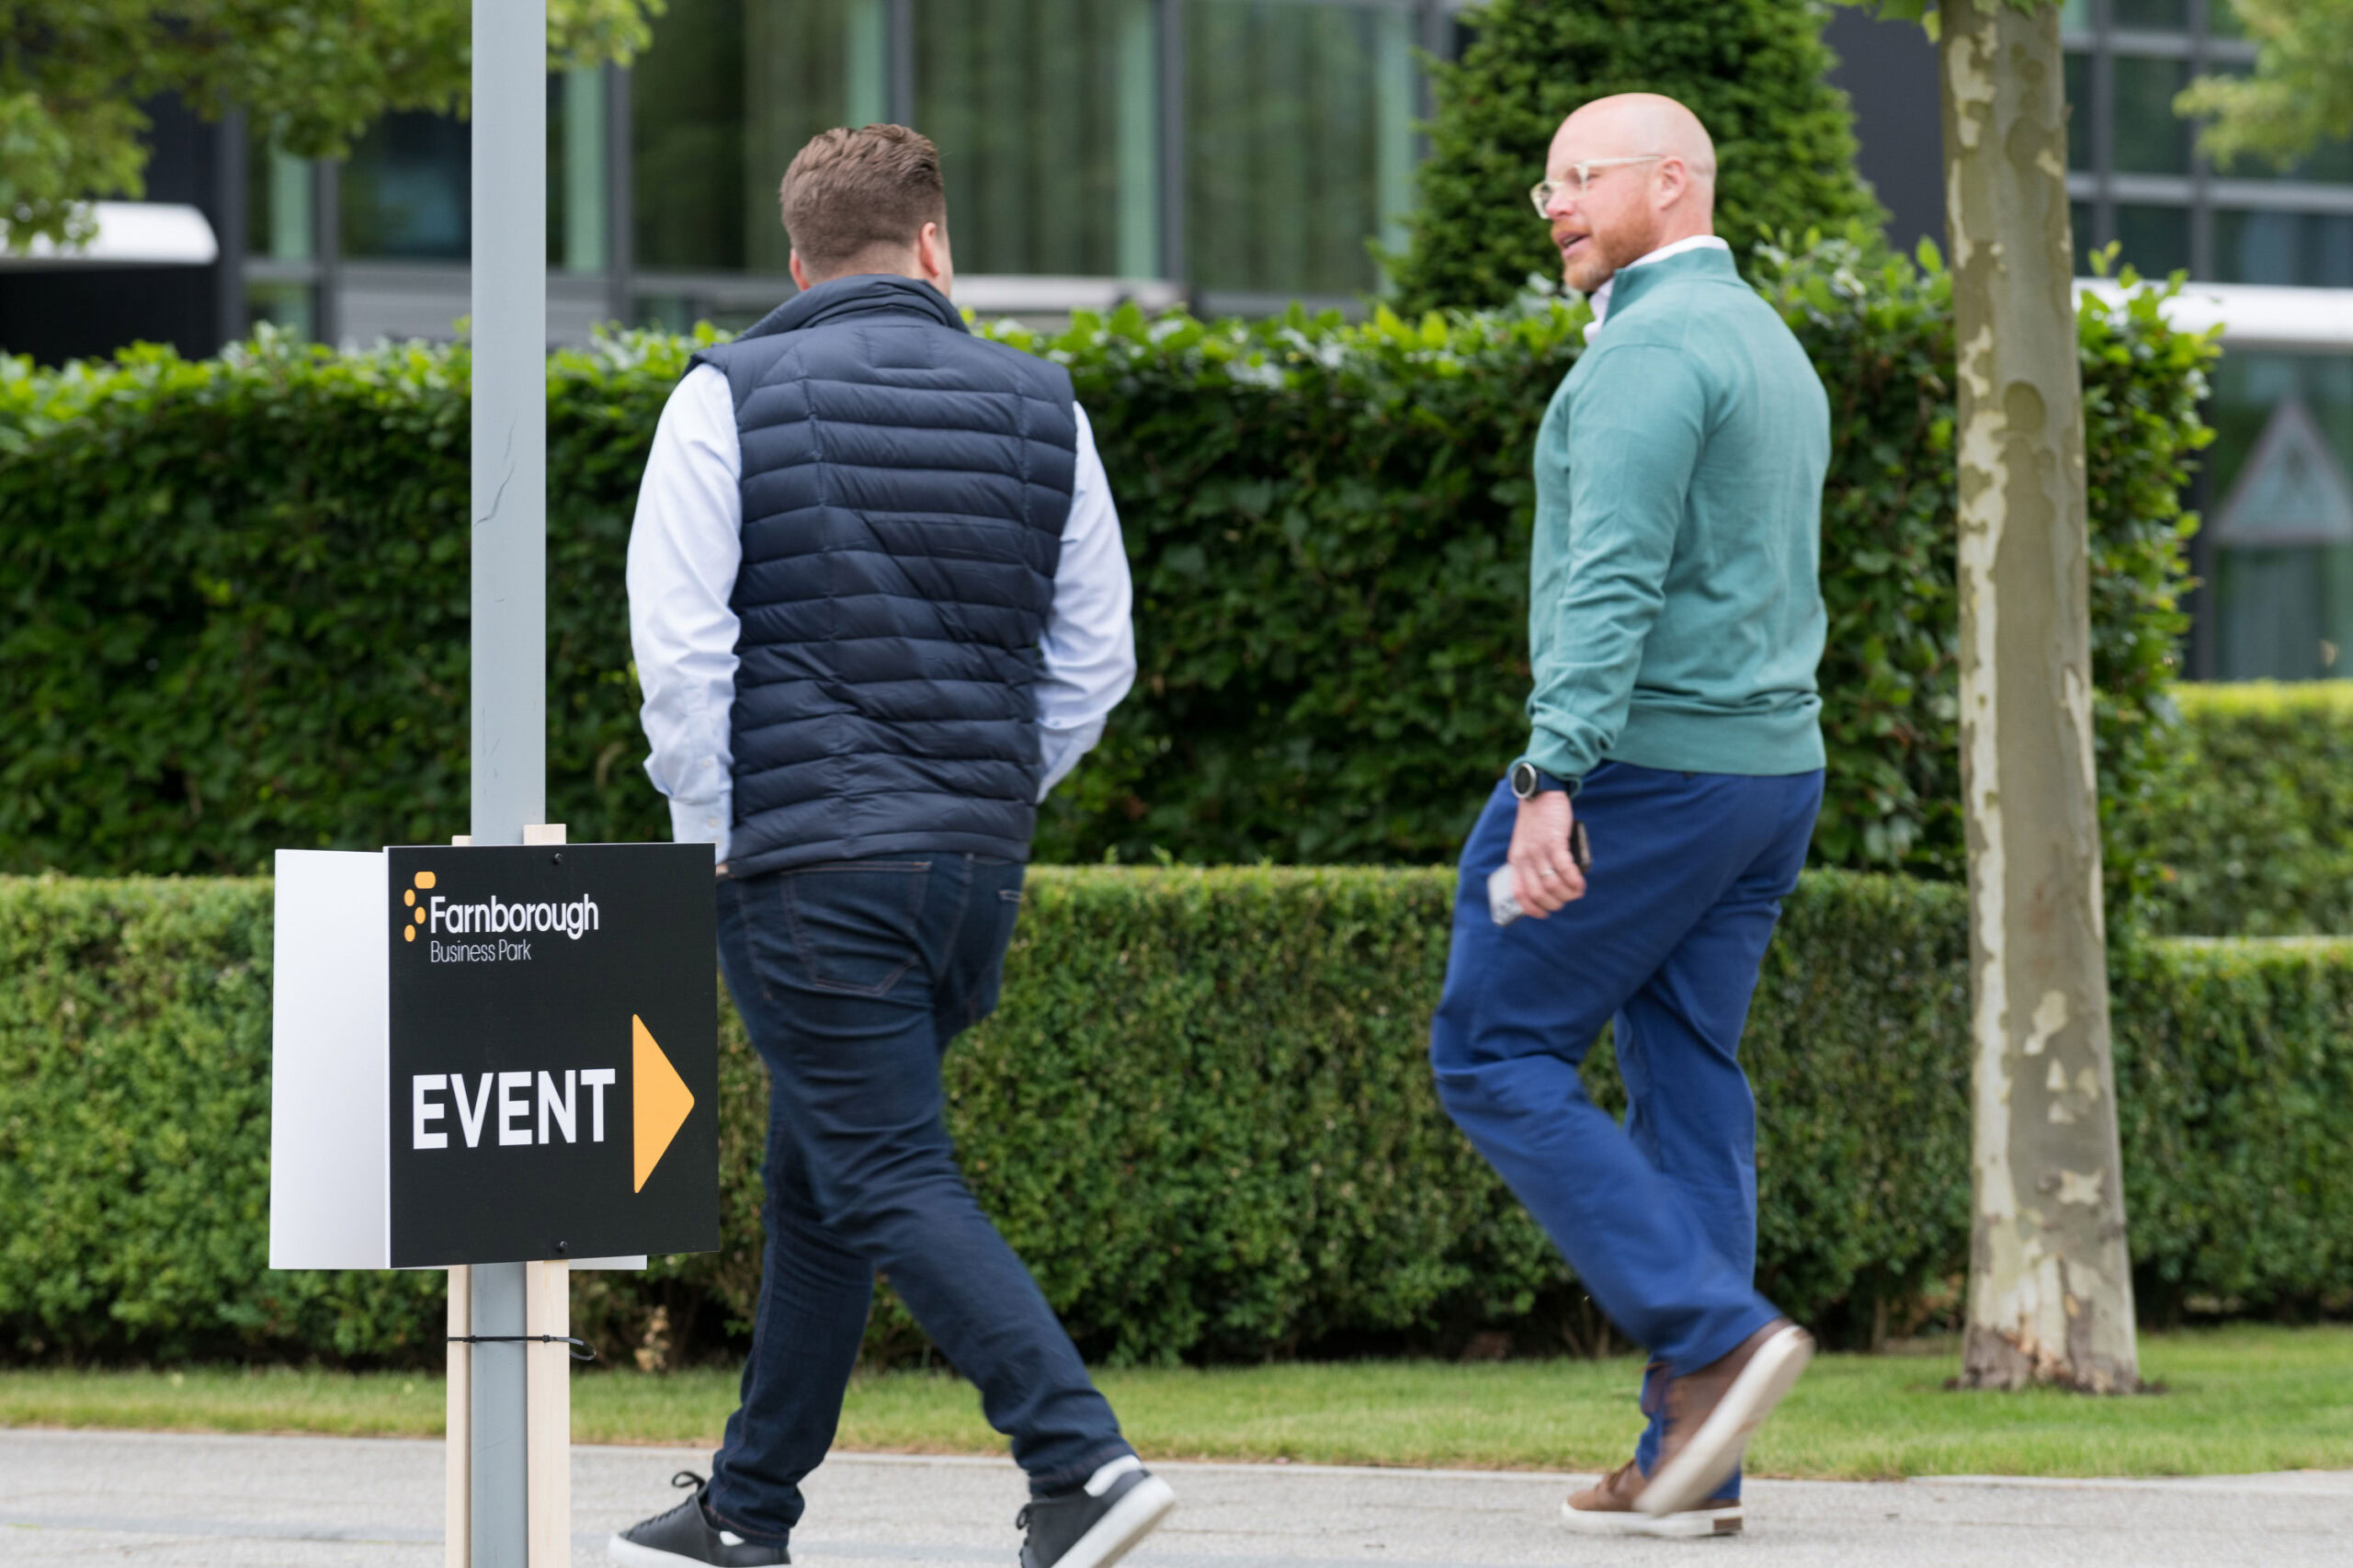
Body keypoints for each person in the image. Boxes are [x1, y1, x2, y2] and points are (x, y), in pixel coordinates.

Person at [613, 124, 1173, 1568]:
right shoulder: (1046, 404)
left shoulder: (726, 392)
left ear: (795, 264)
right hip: (970, 864)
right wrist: (985, 788)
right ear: (935, 247)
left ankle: (1081, 1458)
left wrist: (713, 839)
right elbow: (1095, 659)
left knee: (886, 1167)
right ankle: (746, 1507)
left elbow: (680, 655)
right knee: (828, 1166)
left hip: (804, 862)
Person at [1427, 93, 1831, 1540]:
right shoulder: (1767, 341)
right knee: (1685, 1065)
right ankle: (1693, 1458)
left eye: (1579, 179)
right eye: (1545, 182)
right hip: (1770, 774)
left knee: (1490, 1044)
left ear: (1675, 180)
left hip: (1644, 771)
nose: (1551, 202)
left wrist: (1551, 775)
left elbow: (1614, 580)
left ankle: (1713, 1332)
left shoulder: (1651, 353)